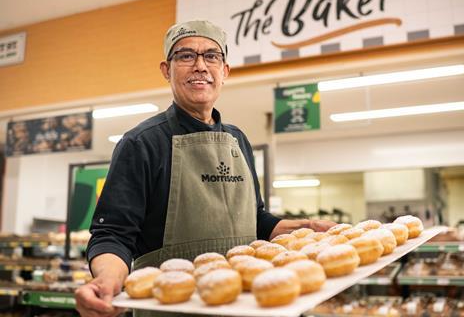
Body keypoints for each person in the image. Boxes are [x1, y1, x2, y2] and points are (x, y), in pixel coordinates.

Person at [75, 20, 336, 317]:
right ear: (166, 70)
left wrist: (300, 228)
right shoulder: (141, 143)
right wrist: (108, 280)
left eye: (211, 56)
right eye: (186, 56)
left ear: (224, 71)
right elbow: (113, 234)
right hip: (171, 308)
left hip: (244, 305)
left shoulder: (238, 140)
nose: (200, 65)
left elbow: (256, 220)